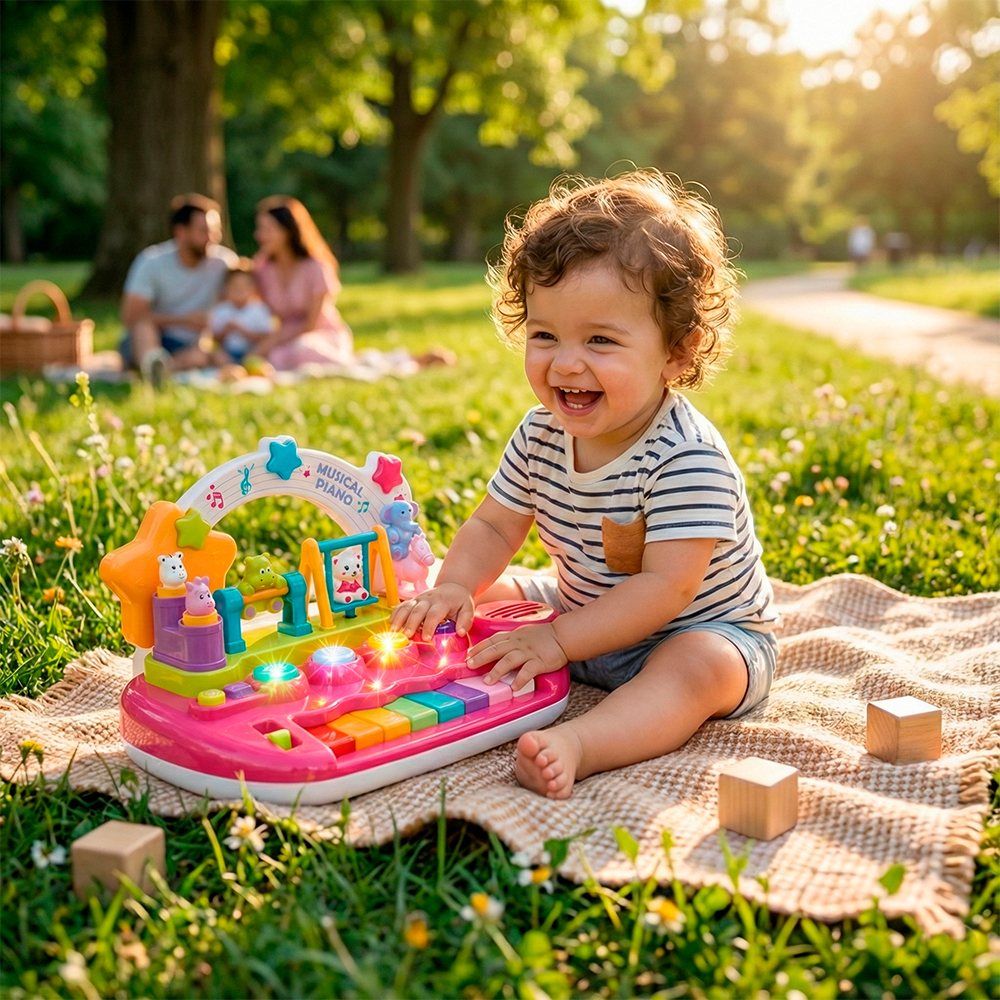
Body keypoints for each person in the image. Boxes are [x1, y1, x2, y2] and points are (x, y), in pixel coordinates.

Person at [390, 171, 779, 800]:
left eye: (600, 340)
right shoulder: (540, 434)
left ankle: (583, 742)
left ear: (677, 352)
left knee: (697, 668)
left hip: (693, 629)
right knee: (475, 595)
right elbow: (494, 526)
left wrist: (557, 639)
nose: (566, 363)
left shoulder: (686, 458)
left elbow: (666, 588)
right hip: (580, 610)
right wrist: (457, 585)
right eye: (545, 335)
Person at [120, 194, 238, 382]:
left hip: (193, 344)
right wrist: (184, 320)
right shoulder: (152, 262)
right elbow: (130, 317)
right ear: (181, 232)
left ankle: (163, 371)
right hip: (151, 338)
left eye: (215, 231)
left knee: (201, 355)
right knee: (143, 327)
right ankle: (152, 364)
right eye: (204, 231)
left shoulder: (224, 263)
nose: (212, 238)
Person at [251, 196, 355, 370]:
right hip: (284, 342)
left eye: (267, 229)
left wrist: (275, 340)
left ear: (287, 231)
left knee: (301, 349)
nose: (259, 235)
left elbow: (311, 324)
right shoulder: (263, 269)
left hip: (320, 336)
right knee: (274, 358)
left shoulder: (316, 266)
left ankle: (348, 364)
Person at [209, 260, 275, 364]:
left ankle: (244, 364)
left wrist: (243, 331)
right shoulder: (221, 309)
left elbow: (266, 337)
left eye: (243, 286)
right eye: (235, 286)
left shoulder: (259, 309)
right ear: (227, 288)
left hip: (251, 352)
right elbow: (214, 339)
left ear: (252, 288)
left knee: (266, 347)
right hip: (227, 353)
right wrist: (225, 331)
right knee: (214, 353)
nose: (239, 290)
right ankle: (231, 367)